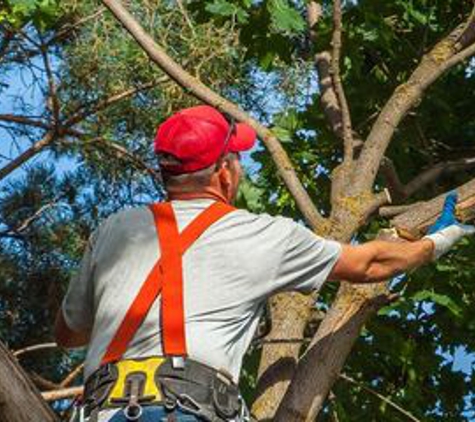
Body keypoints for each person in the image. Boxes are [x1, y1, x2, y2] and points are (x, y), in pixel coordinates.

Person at [55, 105, 475, 422]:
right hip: (186, 411)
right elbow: (371, 264)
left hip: (102, 413)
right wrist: (438, 241)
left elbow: (68, 333)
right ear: (223, 172)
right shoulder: (262, 234)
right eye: (236, 159)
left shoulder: (115, 229)